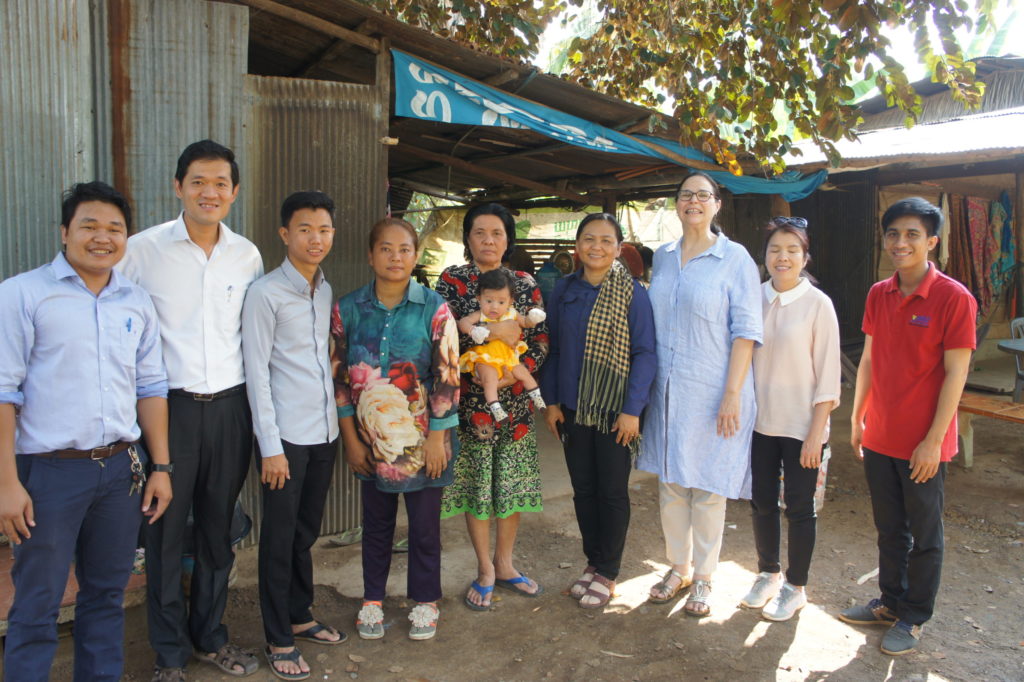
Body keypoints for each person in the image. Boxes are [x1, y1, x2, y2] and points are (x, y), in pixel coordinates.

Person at [0, 182, 172, 682]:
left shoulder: (135, 301)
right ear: (64, 232)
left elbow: (151, 386)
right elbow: (4, 392)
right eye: (89, 226)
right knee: (38, 602)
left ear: (126, 238)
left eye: (114, 228)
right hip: (48, 475)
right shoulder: (23, 294)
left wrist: (161, 467)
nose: (102, 237)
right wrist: (7, 483)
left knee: (105, 597)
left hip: (120, 472)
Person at [119, 140, 264, 680]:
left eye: (220, 183)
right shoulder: (141, 251)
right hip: (168, 412)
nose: (210, 192)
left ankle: (210, 637)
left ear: (234, 192)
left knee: (217, 532)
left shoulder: (246, 255)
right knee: (163, 534)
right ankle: (169, 655)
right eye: (198, 181)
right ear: (178, 186)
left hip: (230, 409)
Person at [840, 197, 976, 655]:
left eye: (912, 234)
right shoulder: (879, 293)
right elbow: (869, 361)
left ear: (932, 241)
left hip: (923, 443)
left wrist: (934, 441)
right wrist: (858, 417)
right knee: (889, 528)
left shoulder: (954, 298)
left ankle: (914, 616)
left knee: (925, 534)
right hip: (880, 435)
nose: (901, 242)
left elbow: (956, 374)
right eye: (893, 234)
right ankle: (890, 602)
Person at [636, 172, 762, 617]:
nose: (694, 201)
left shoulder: (736, 258)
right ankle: (678, 568)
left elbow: (746, 330)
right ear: (676, 203)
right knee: (671, 482)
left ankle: (705, 577)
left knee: (707, 486)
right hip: (668, 391)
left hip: (713, 390)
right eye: (686, 194)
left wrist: (732, 393)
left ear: (716, 205)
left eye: (703, 195)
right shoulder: (664, 257)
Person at [332, 218, 461, 641]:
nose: (395, 257)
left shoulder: (434, 308)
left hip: (425, 440)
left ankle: (425, 601)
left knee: (424, 527)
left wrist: (438, 437)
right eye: (385, 249)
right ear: (371, 256)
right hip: (372, 442)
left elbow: (447, 376)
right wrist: (351, 440)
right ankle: (372, 598)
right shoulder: (348, 308)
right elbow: (339, 380)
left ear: (416, 256)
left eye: (404, 249)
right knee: (377, 524)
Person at [242, 191, 344, 680]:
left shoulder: (324, 289)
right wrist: (270, 447)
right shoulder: (265, 294)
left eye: (323, 230)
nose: (315, 238)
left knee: (305, 533)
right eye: (305, 229)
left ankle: (299, 615)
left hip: (323, 433)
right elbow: (256, 372)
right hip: (285, 440)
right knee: (279, 538)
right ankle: (277, 636)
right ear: (285, 234)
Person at [435, 203, 549, 610]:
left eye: (497, 232)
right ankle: (484, 567)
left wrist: (506, 379)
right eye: (479, 232)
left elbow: (540, 341)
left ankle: (505, 564)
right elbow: (443, 337)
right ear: (467, 238)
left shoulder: (525, 283)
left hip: (514, 406)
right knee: (478, 486)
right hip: (471, 409)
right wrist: (498, 332)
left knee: (510, 484)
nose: (488, 240)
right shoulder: (452, 280)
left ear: (508, 239)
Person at [541, 213, 656, 609]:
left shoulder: (633, 293)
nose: (597, 247)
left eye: (607, 240)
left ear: (619, 248)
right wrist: (551, 402)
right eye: (589, 239)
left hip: (615, 410)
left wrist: (632, 410)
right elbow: (554, 349)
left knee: (611, 490)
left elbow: (645, 353)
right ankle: (593, 562)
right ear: (577, 246)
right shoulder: (564, 289)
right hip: (573, 407)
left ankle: (608, 570)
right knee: (584, 489)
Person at [740, 217, 841, 621]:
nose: (783, 257)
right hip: (759, 424)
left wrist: (817, 432)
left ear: (804, 257)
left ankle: (796, 586)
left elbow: (828, 374)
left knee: (799, 508)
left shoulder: (818, 304)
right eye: (775, 250)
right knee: (761, 503)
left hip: (802, 427)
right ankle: (768, 573)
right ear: (764, 256)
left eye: (792, 250)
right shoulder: (753, 298)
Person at [457, 267, 547, 422]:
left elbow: (526, 323)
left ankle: (537, 397)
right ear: (479, 298)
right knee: (490, 378)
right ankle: (495, 407)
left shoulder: (512, 313)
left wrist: (532, 319)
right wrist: (473, 330)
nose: (494, 307)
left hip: (508, 358)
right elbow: (463, 322)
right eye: (489, 301)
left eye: (501, 302)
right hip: (485, 358)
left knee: (523, 372)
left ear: (510, 301)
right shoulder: (480, 314)